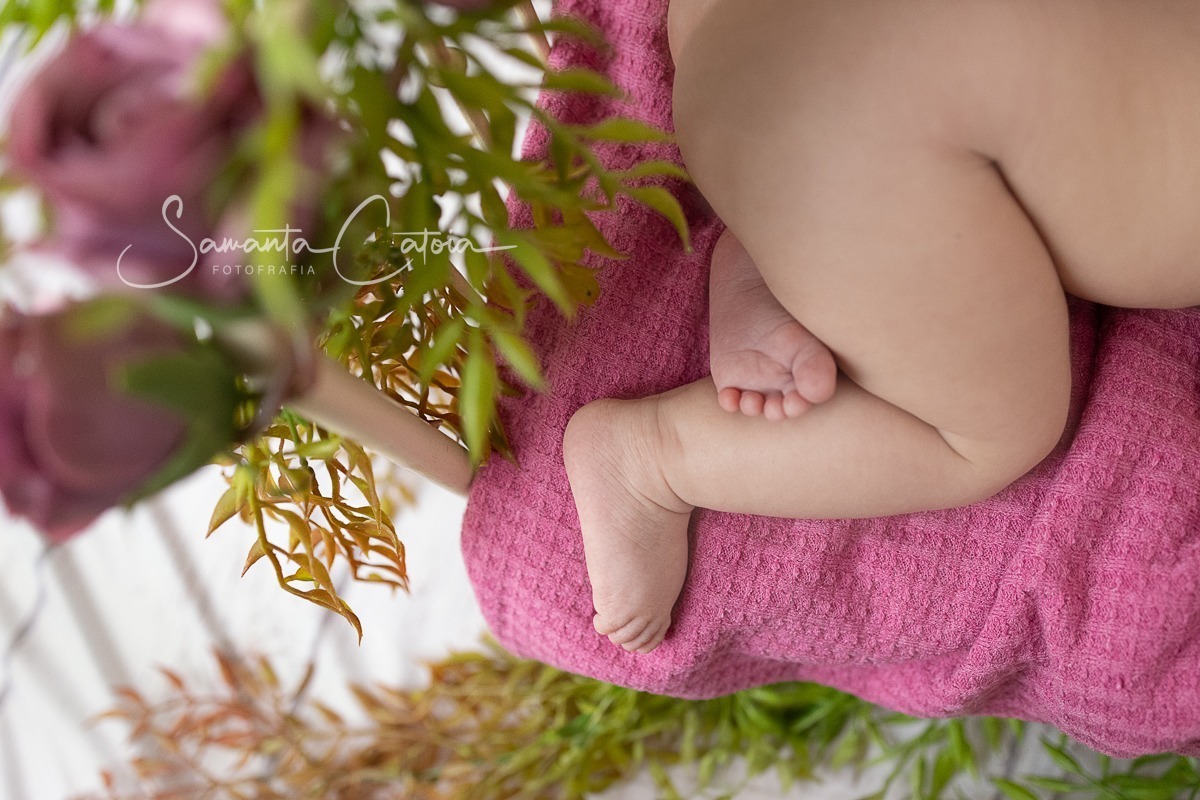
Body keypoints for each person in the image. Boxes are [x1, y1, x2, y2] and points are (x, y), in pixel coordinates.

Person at [562, 0, 1200, 654]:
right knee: (988, 438)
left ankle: (772, 241)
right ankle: (655, 457)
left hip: (728, 36)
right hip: (849, 145)